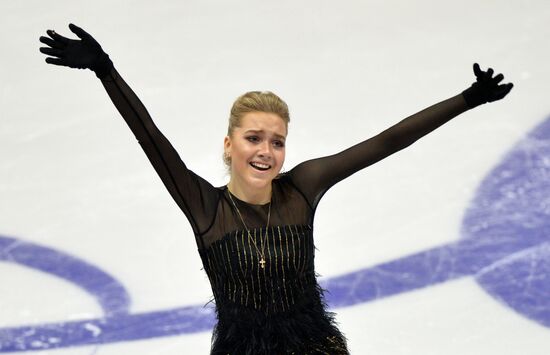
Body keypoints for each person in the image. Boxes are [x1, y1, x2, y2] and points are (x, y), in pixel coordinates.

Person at [39, 24, 513, 354]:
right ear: (229, 145)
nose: (265, 151)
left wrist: (466, 99)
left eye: (277, 141)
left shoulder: (302, 188)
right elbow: (150, 138)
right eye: (253, 139)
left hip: (316, 349)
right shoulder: (206, 207)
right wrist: (106, 70)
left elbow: (386, 142)